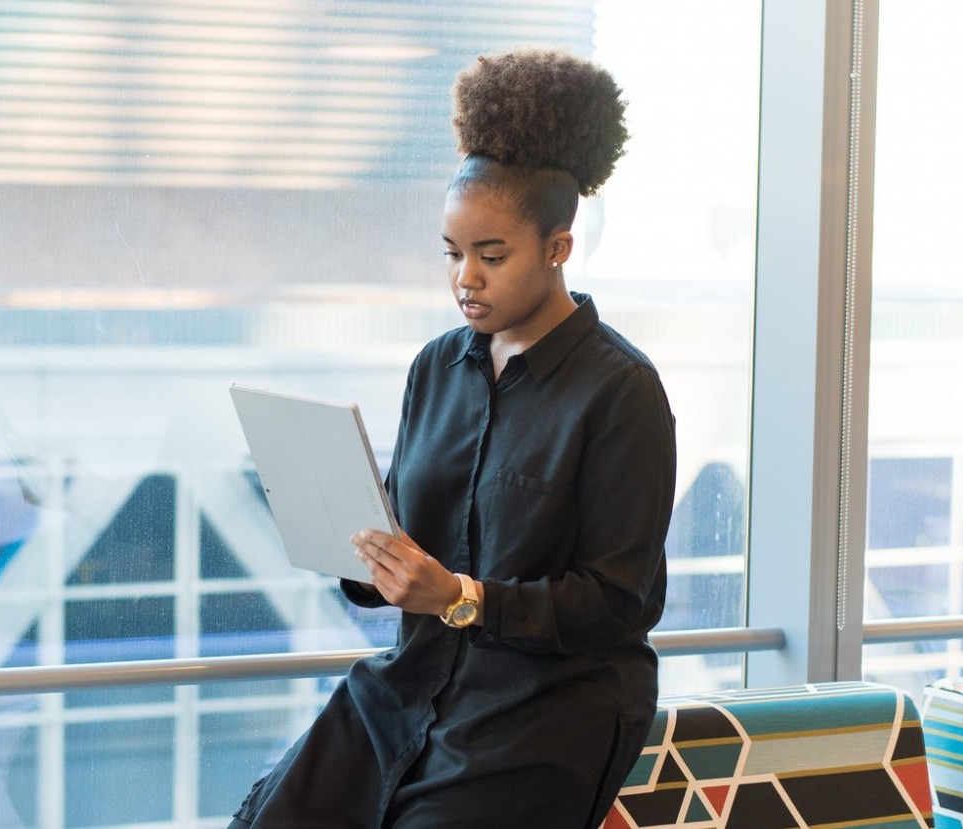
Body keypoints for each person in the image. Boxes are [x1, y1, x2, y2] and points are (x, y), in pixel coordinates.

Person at [229, 48, 676, 829]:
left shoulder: (619, 391)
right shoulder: (437, 366)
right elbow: (412, 541)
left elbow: (618, 602)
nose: (464, 278)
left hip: (546, 708)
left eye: (490, 255)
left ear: (558, 248)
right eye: (453, 253)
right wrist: (363, 551)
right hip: (415, 684)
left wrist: (461, 599)